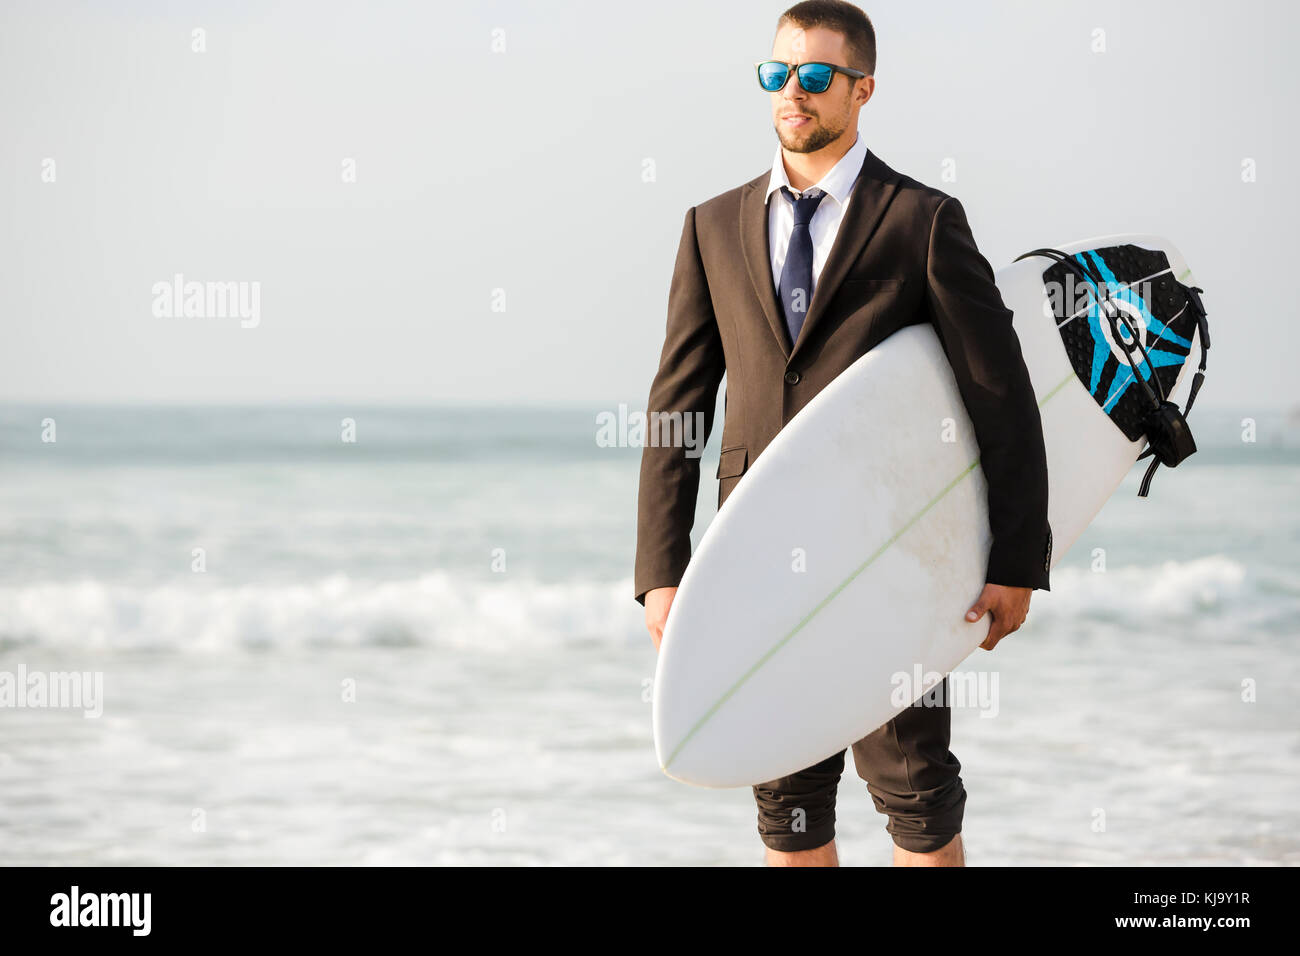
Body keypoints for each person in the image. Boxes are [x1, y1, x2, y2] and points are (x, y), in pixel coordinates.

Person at [633, 0, 1052, 867]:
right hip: (752, 548)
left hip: (883, 551)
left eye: (816, 76)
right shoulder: (712, 225)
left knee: (917, 788)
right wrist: (662, 571)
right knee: (785, 790)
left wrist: (1017, 560)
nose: (794, 92)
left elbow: (999, 395)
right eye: (777, 74)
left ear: (862, 89)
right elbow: (678, 405)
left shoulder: (921, 218)